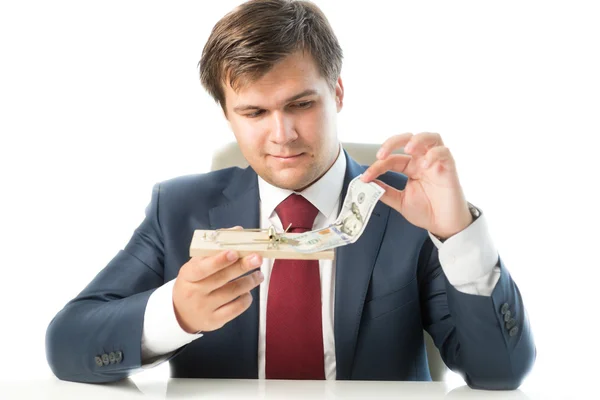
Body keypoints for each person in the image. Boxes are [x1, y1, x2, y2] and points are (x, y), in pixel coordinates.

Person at [45, 0, 535, 389]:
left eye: (301, 104)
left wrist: (456, 233)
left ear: (337, 92)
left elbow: (499, 372)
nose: (282, 135)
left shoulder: (412, 209)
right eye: (254, 113)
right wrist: (175, 312)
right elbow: (69, 341)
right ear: (228, 115)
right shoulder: (178, 209)